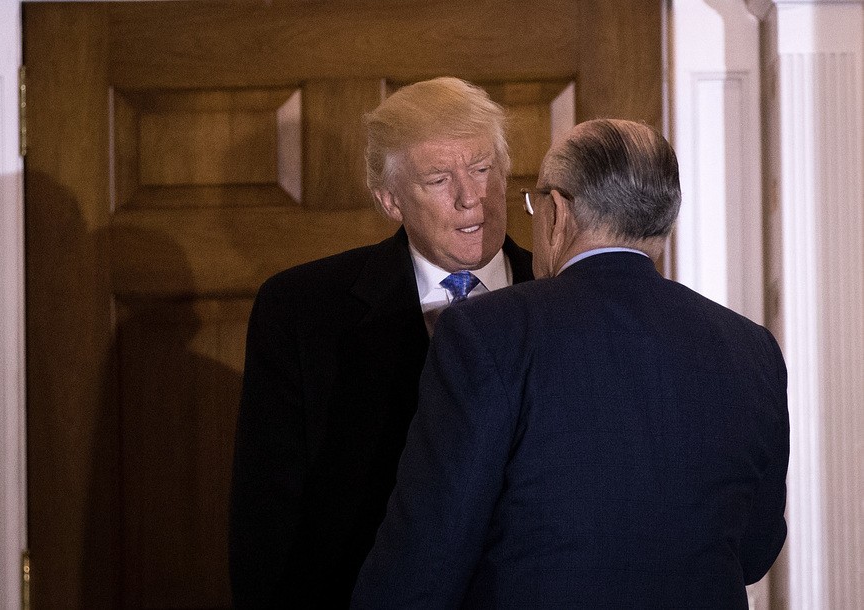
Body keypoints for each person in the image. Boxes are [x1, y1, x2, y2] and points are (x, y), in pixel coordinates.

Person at [351, 119, 789, 608]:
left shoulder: (486, 333)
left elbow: (425, 559)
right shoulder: (752, 348)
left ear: (556, 211)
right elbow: (755, 549)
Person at [229, 77, 534, 607]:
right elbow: (268, 518)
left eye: (483, 169)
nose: (471, 198)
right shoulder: (301, 311)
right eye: (439, 179)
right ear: (390, 200)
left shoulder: (563, 299)